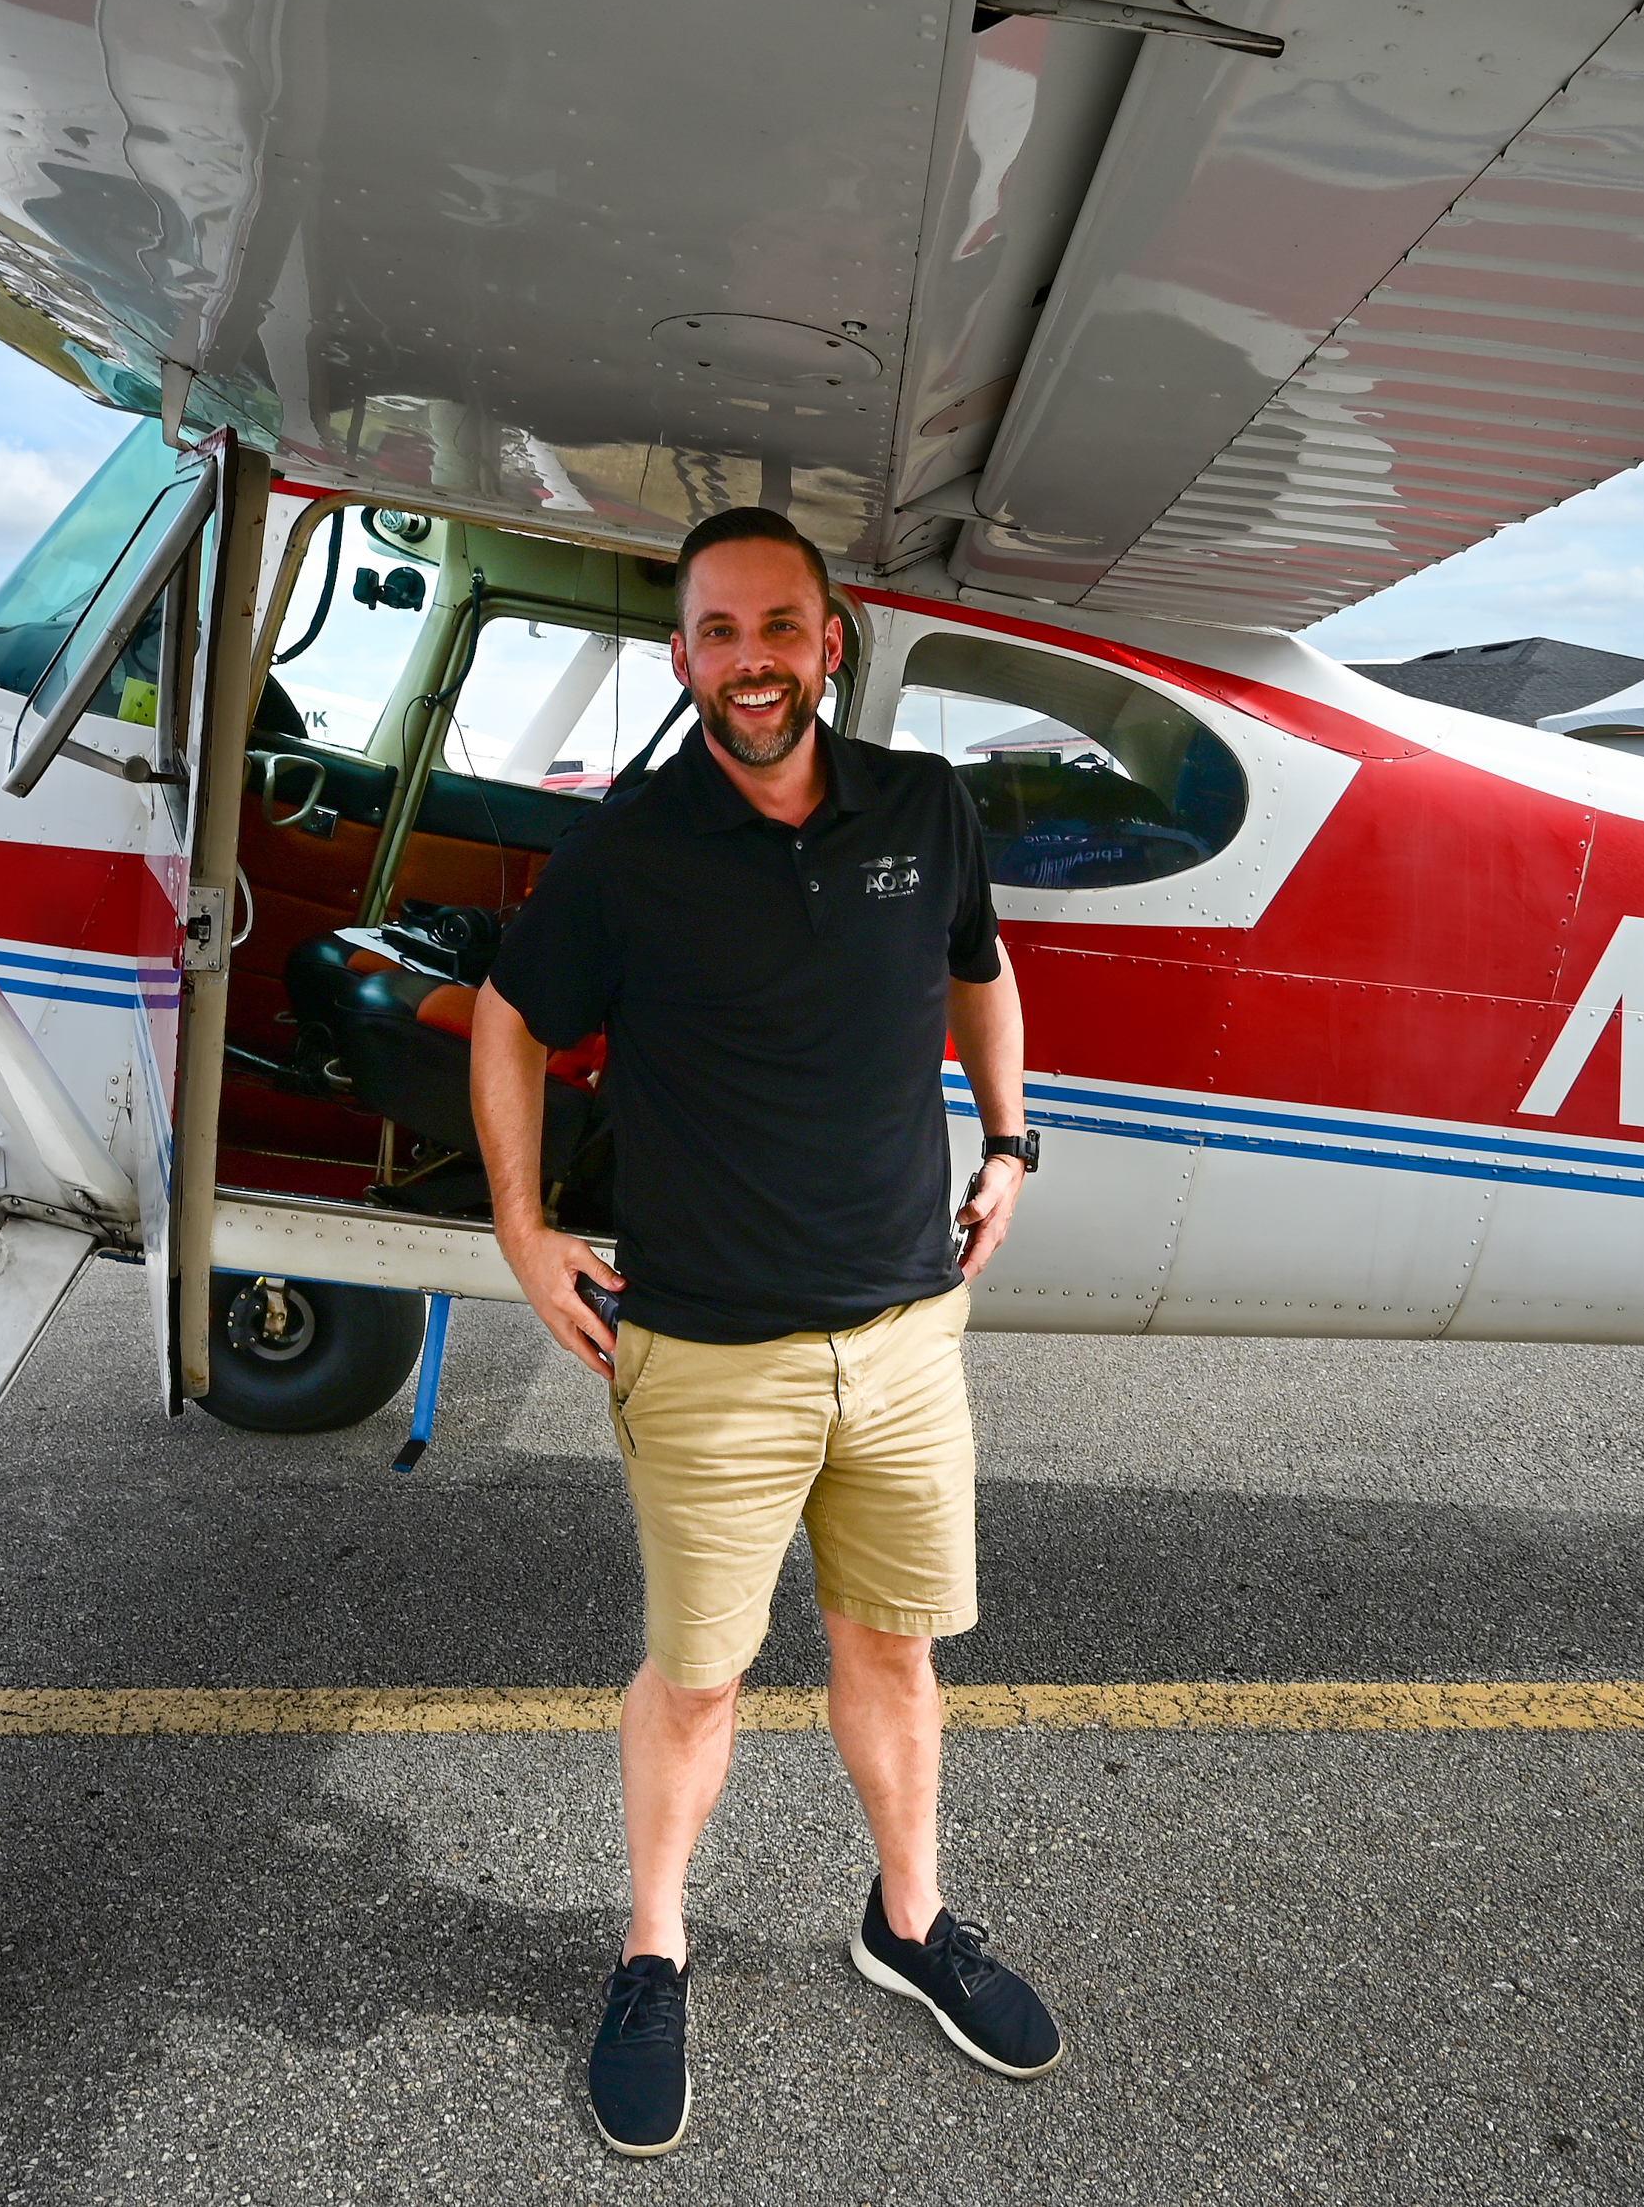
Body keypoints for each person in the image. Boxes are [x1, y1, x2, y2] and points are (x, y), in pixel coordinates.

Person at [469, 505, 1057, 2158]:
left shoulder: (922, 808)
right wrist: (520, 1229)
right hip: (709, 1355)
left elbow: (980, 969)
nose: (751, 662)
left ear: (829, 644)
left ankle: (909, 1922)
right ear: (681, 658)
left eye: (779, 628)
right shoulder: (629, 847)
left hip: (904, 1335)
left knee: (894, 1650)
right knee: (700, 1679)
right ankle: (654, 1951)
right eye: (718, 633)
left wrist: (1012, 1139)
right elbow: (509, 1021)